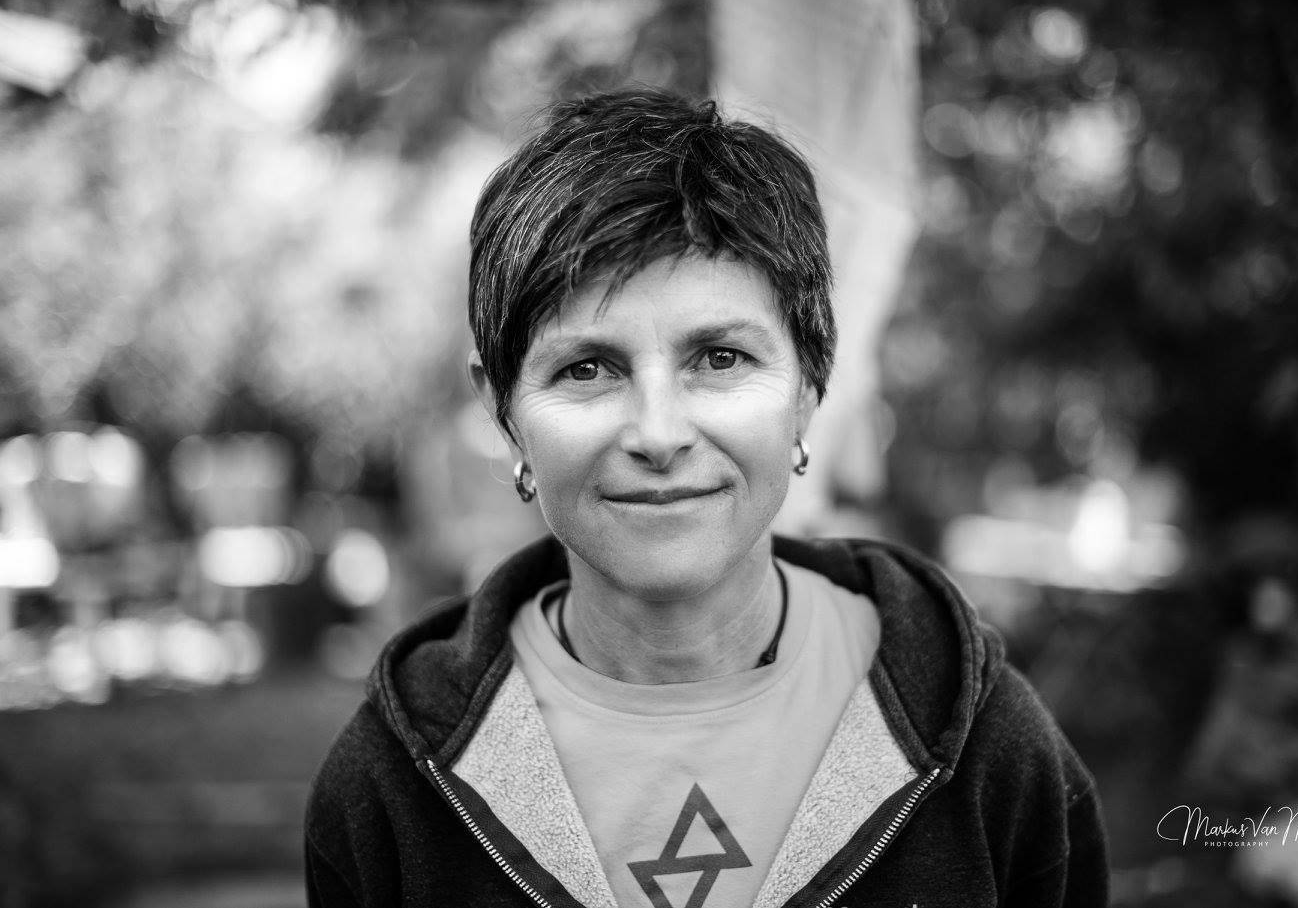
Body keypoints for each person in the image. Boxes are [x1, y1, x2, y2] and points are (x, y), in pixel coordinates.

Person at [304, 89, 1109, 908]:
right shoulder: (388, 788)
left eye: (720, 357)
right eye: (587, 368)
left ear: (807, 387)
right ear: (502, 411)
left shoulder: (991, 751)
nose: (659, 432)